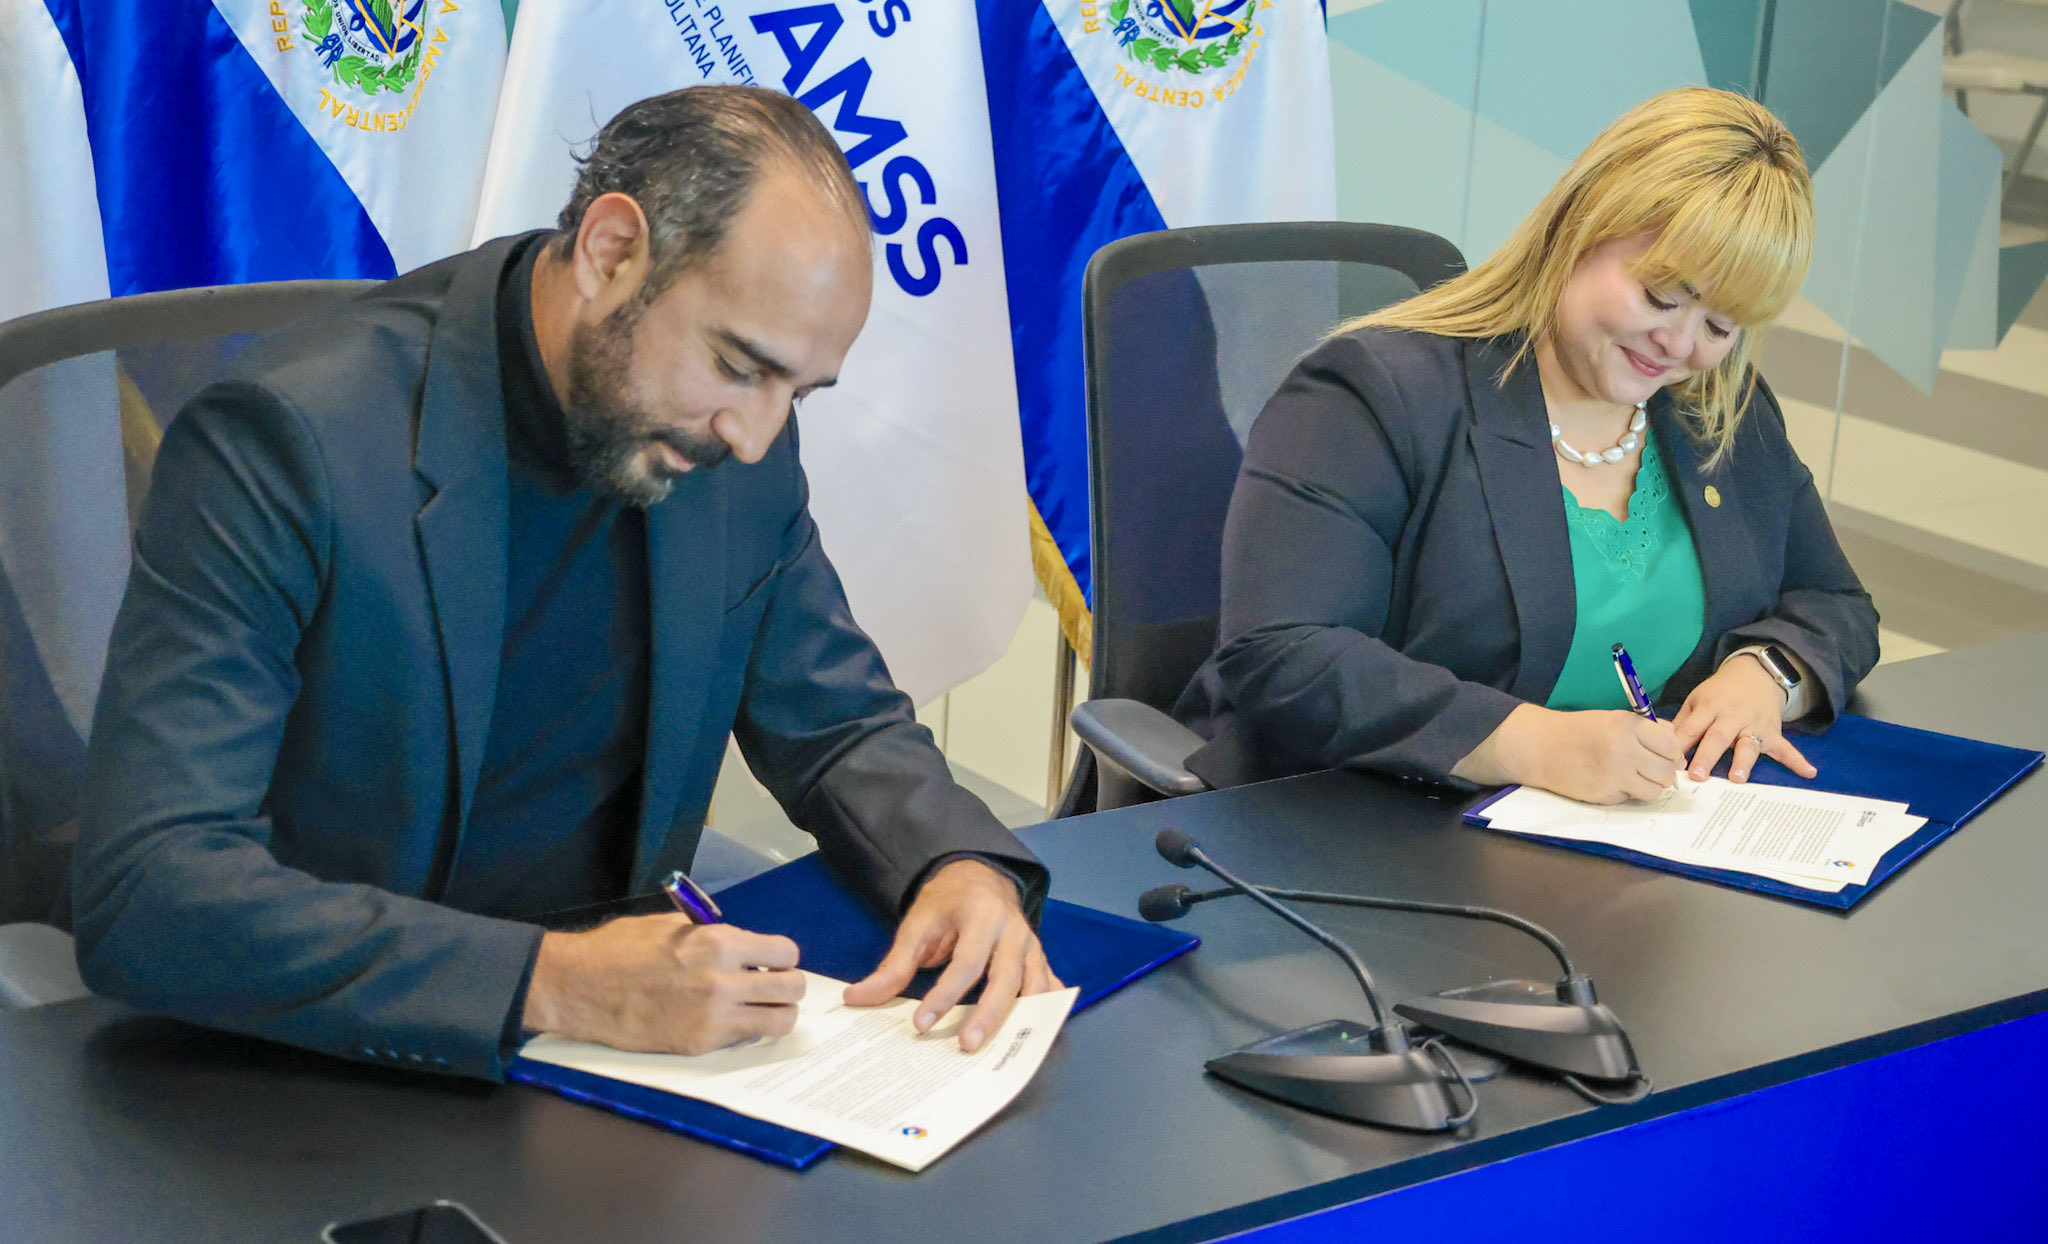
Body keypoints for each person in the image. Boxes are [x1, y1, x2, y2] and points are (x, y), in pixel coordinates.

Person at [70, 86, 1059, 1081]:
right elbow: (148, 888)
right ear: (611, 251)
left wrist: (953, 864)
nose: (757, 434)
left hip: (619, 1046)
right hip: (326, 1060)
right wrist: (555, 982)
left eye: (795, 393)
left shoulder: (727, 439)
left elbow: (836, 721)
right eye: (738, 365)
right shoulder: (286, 441)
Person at [1175, 87, 1880, 806]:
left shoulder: (1720, 409)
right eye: (1661, 297)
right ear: (1580, 229)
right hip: (1357, 819)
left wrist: (1770, 673)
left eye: (1720, 327)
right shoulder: (1373, 393)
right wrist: (1534, 744)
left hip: (1623, 831)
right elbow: (1283, 656)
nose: (1679, 345)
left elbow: (1838, 602)